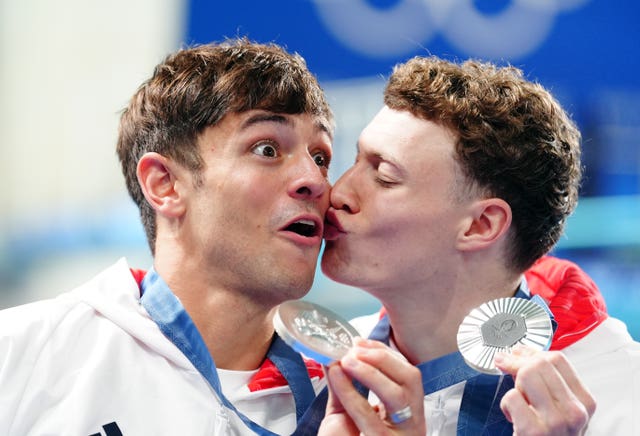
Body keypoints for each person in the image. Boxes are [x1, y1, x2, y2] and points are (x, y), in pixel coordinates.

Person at [0, 38, 423, 436]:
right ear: (165, 184)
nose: (314, 180)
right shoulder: (24, 353)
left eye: (320, 157)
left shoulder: (352, 405)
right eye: (267, 149)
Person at [318, 56, 640, 435]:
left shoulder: (618, 395)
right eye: (355, 161)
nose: (338, 193)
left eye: (385, 177)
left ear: (480, 225)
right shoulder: (322, 372)